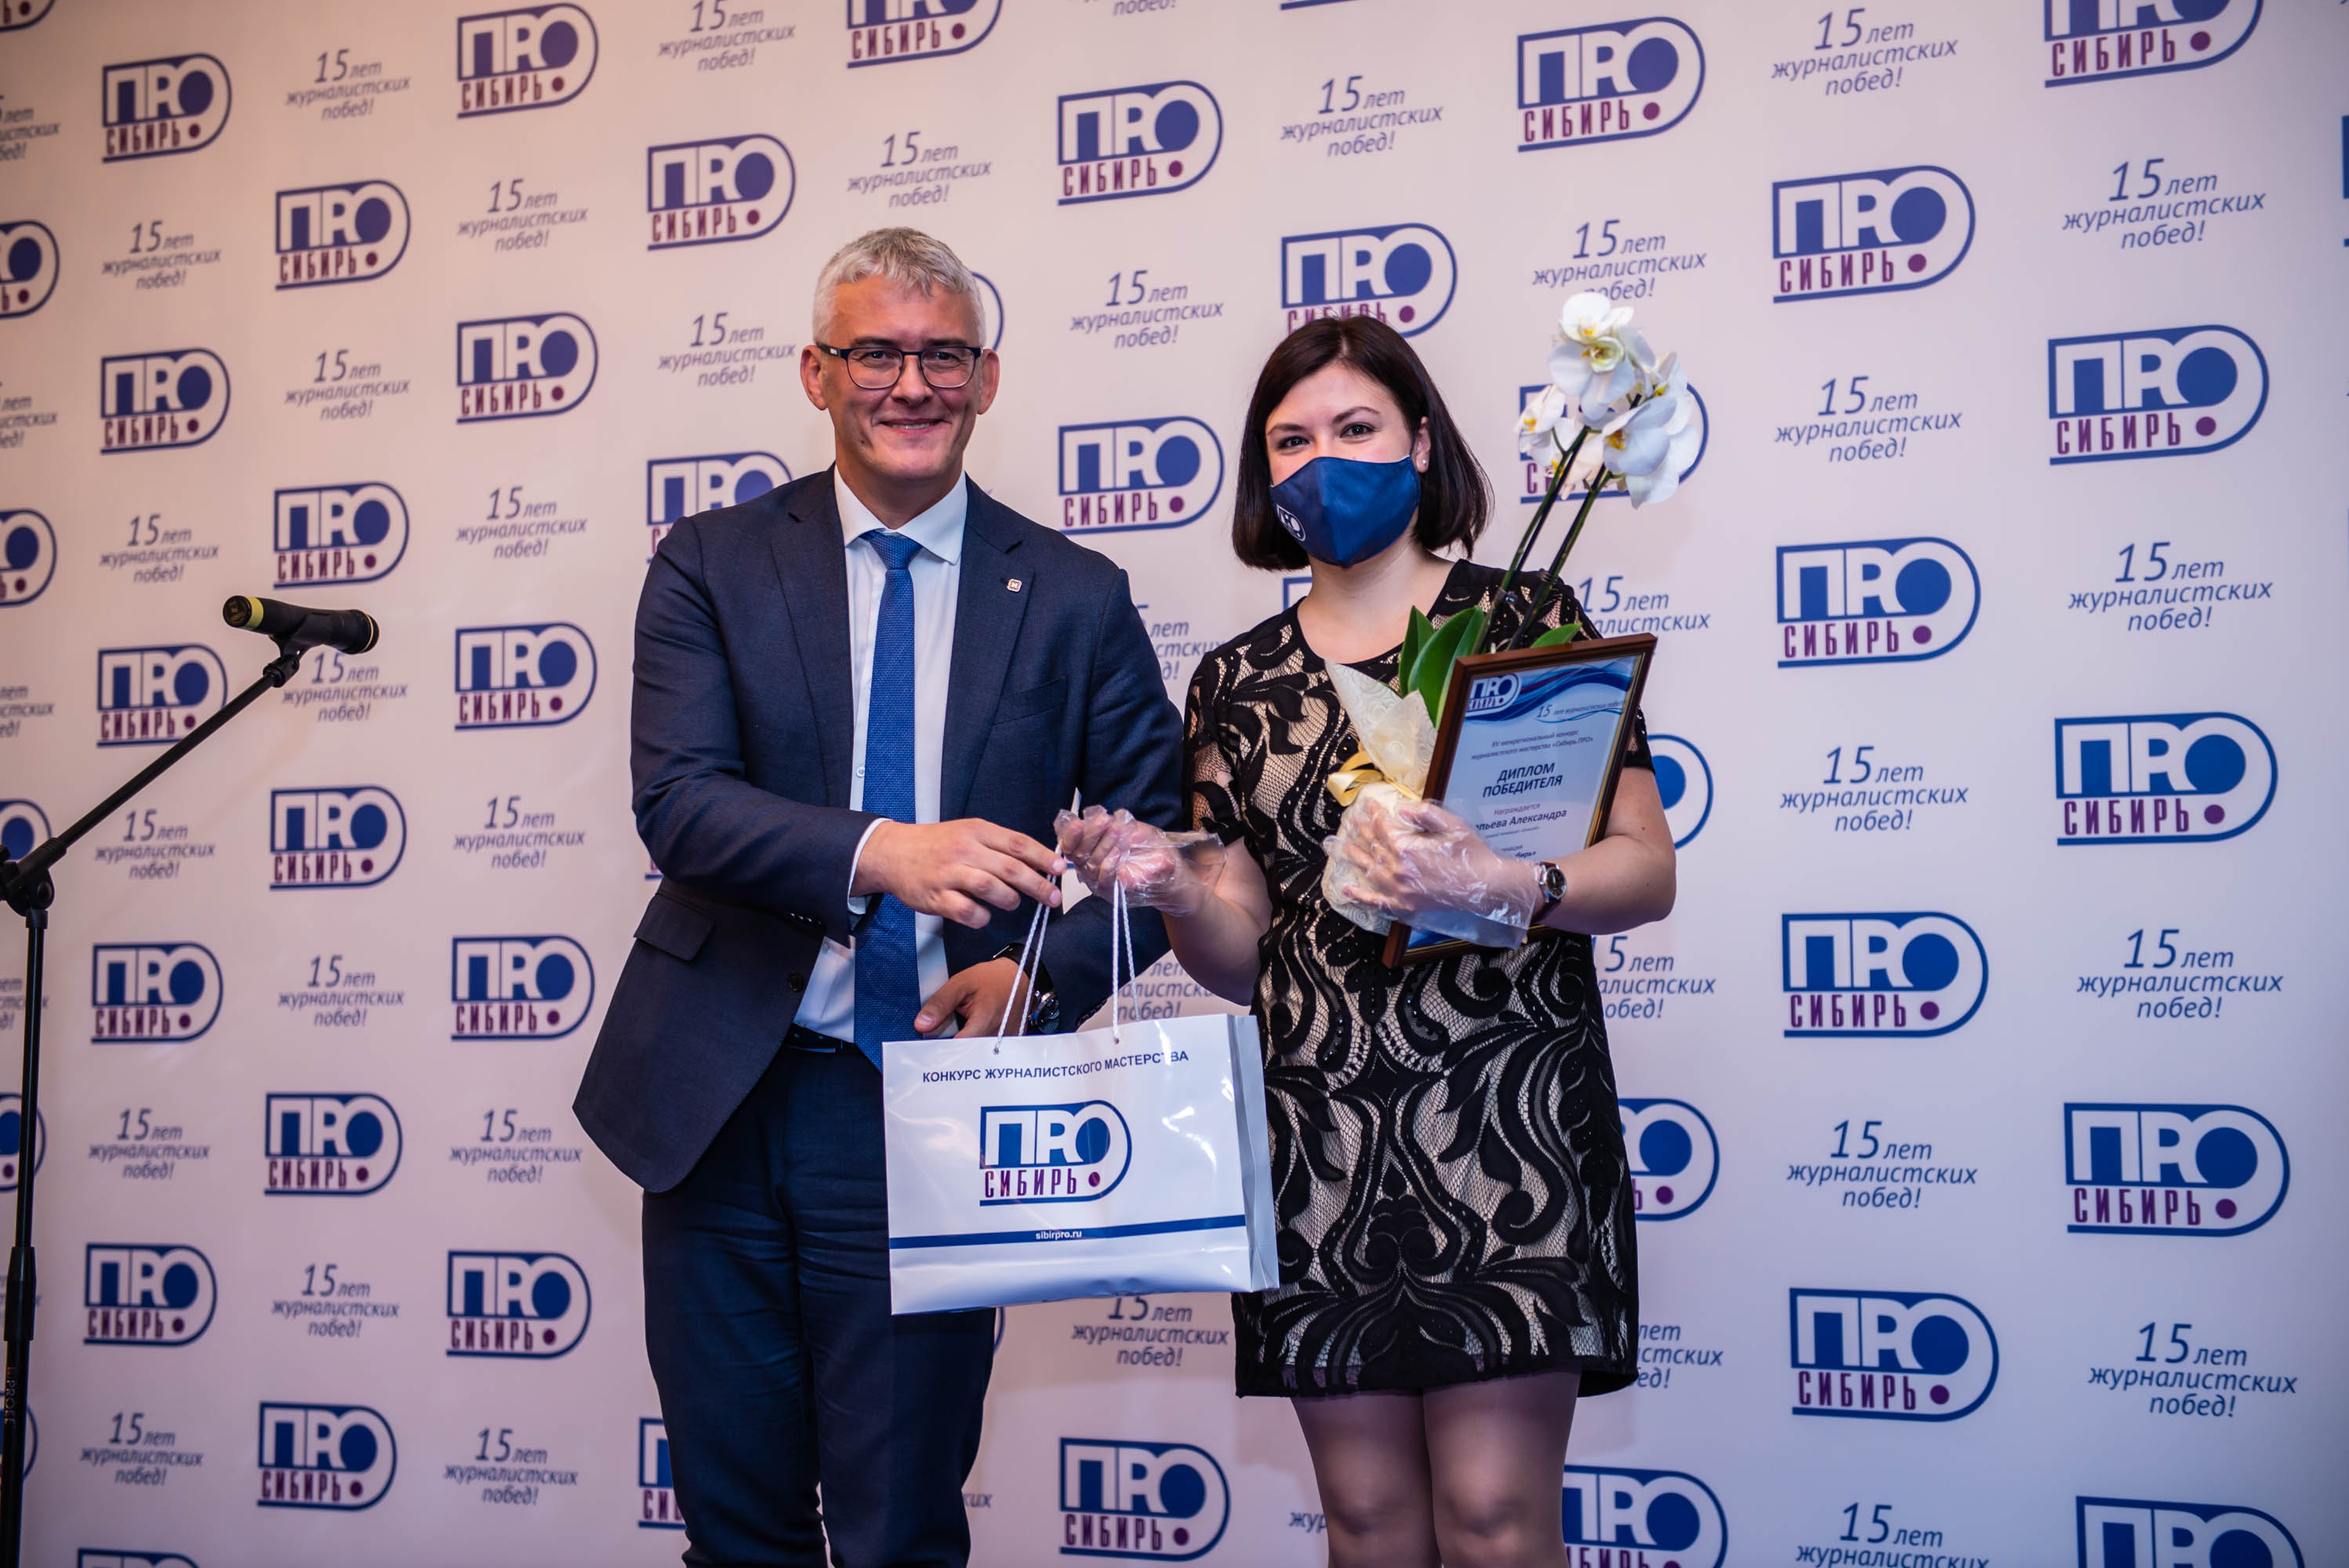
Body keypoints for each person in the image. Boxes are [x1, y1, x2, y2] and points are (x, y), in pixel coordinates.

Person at [575, 227, 1185, 1567]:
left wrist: (1041, 977)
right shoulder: (712, 562)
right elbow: (679, 802)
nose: (912, 385)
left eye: (944, 356)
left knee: (900, 1530)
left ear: (988, 378)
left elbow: (1163, 851)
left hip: (933, 1108)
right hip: (720, 1100)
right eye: (876, 355)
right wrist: (882, 852)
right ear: (817, 373)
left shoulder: (1076, 596)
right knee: (737, 1532)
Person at [1059, 317, 1676, 1568]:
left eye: (1355, 429)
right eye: (1291, 440)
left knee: (1497, 1522)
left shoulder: (1526, 618)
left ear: (1422, 444)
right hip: (1323, 1138)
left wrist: (1505, 881)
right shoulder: (1232, 680)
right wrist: (1169, 888)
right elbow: (1245, 955)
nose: (1322, 462)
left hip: (1508, 1125)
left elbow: (1645, 870)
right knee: (1369, 1524)